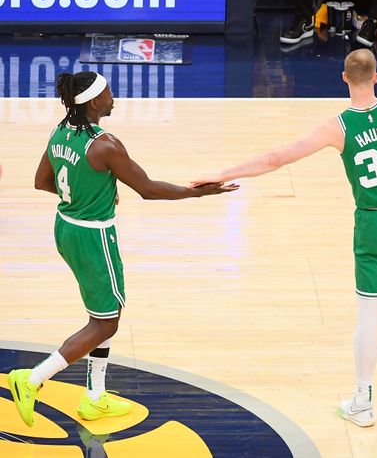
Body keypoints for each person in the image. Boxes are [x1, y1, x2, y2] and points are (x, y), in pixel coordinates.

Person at [192, 49, 377, 426]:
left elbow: (278, 158)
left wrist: (221, 173)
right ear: (376, 77)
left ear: (343, 78)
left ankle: (363, 402)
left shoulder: (337, 127)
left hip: (373, 223)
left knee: (370, 314)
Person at [7, 72, 237, 428]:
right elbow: (146, 189)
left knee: (105, 315)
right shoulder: (105, 144)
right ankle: (33, 378)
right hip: (93, 236)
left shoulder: (61, 131)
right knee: (104, 322)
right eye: (108, 92)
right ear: (94, 102)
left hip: (65, 228)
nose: (114, 97)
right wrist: (196, 192)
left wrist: (88, 192)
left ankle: (95, 397)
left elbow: (42, 181)